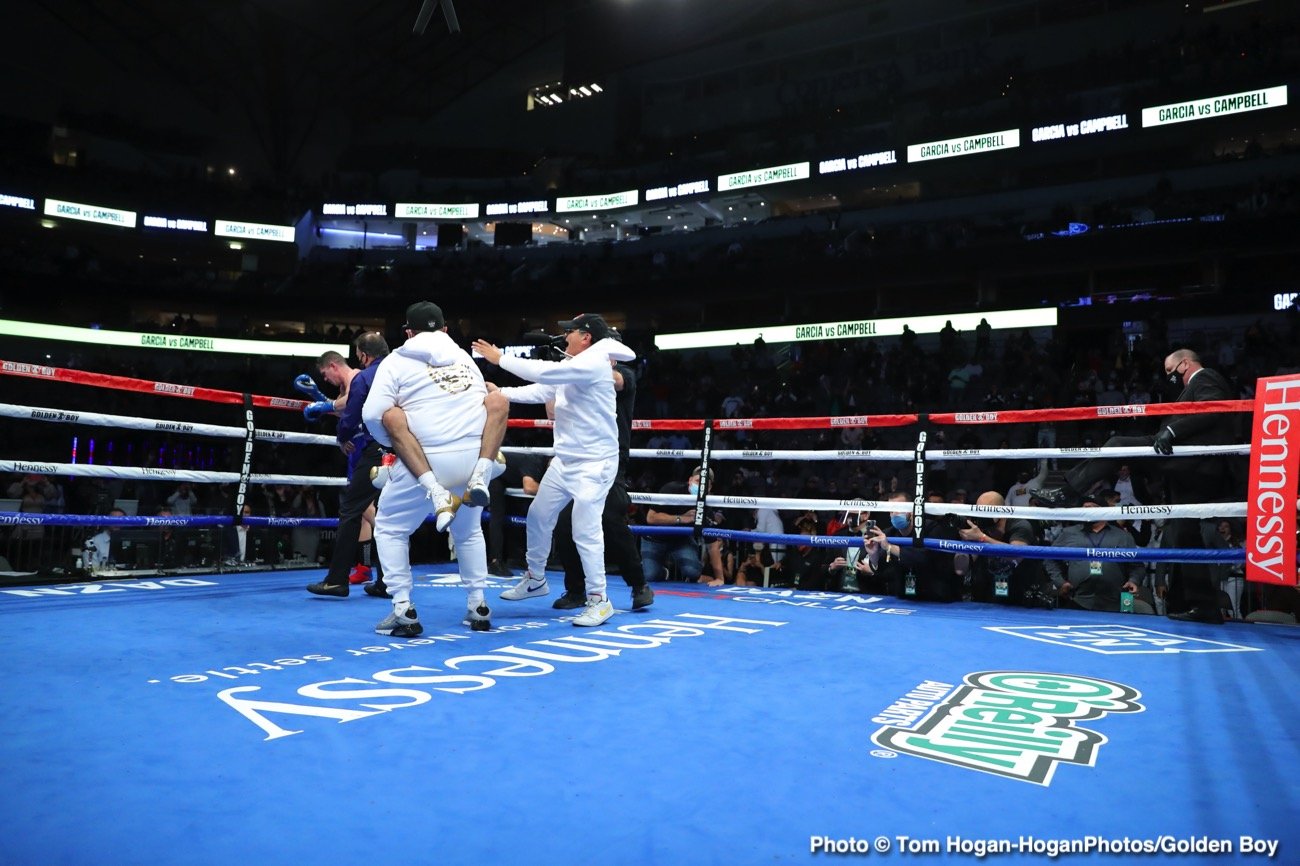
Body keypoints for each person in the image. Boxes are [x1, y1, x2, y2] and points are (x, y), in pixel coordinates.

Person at [1032, 349, 1239, 623]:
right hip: (1187, 468)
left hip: (1192, 459)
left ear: (1185, 363)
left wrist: (1171, 431)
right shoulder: (1191, 387)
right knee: (1184, 533)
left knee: (1118, 445)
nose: (1169, 378)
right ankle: (1204, 606)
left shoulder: (1206, 377)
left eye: (1170, 371)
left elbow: (1213, 408)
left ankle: (1067, 492)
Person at [472, 313, 636, 628]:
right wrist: (500, 393)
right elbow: (541, 391)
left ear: (585, 337)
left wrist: (500, 358)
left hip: (595, 462)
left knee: (584, 530)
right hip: (566, 461)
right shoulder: (573, 368)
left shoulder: (594, 363)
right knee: (538, 516)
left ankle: (600, 601)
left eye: (570, 332)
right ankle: (535, 579)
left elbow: (542, 372)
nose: (565, 338)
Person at [362, 301, 504, 635]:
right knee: (468, 530)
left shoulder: (396, 361)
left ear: (408, 332)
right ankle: (478, 605)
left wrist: (395, 443)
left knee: (390, 527)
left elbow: (373, 414)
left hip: (424, 459)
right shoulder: (463, 356)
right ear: (444, 329)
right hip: (473, 459)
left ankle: (402, 609)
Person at [552, 345, 655, 611]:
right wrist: (558, 375)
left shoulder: (622, 373)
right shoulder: (577, 377)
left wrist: (576, 368)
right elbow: (552, 412)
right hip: (581, 459)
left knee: (610, 516)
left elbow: (616, 381)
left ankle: (639, 584)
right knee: (564, 523)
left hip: (611, 459)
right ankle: (576, 590)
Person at [304, 332, 392, 598]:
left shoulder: (363, 377)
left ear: (364, 355)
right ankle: (389, 581)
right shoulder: (400, 371)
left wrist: (341, 435)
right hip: (403, 449)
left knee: (352, 509)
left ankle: (336, 580)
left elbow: (351, 413)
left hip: (374, 448)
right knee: (388, 515)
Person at [1044, 492, 1142, 611]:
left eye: (1091, 508)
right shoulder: (1069, 533)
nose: (1087, 511)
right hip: (1078, 600)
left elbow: (1137, 565)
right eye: (1084, 508)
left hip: (1115, 601)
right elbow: (1049, 557)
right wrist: (1060, 582)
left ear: (1103, 511)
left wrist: (1133, 581)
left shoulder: (1122, 536)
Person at [639, 465, 722, 586]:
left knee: (693, 572)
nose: (700, 487)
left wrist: (720, 578)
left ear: (709, 488)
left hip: (680, 540)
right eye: (698, 481)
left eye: (705, 484)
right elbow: (650, 518)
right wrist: (681, 518)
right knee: (650, 576)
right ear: (690, 480)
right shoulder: (671, 489)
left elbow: (712, 545)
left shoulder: (706, 508)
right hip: (654, 538)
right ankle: (663, 572)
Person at [487, 451, 546, 577]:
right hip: (496, 474)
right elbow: (529, 487)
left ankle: (516, 558)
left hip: (508, 479)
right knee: (497, 517)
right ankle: (495, 562)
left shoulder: (546, 467)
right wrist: (557, 489)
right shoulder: (535, 460)